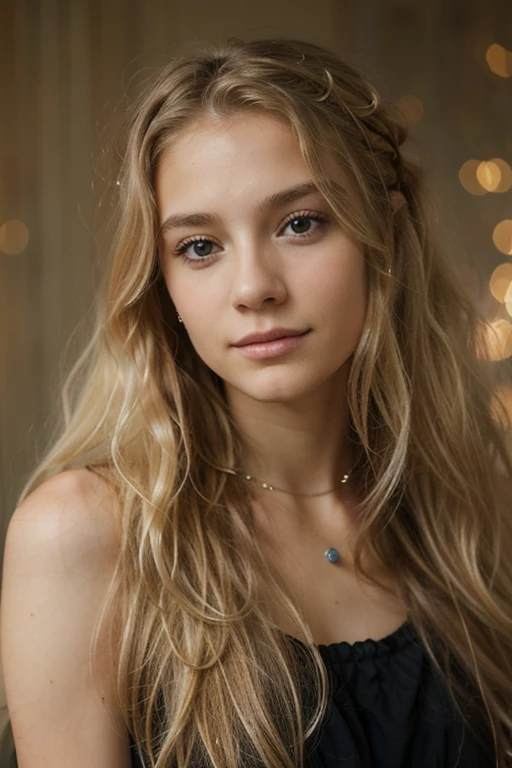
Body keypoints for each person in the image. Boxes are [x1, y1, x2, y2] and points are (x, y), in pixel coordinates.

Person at [1, 36, 511, 768]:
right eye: (200, 246)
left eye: (300, 223)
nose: (254, 288)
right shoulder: (83, 535)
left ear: (386, 233)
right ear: (161, 282)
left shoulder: (469, 519)